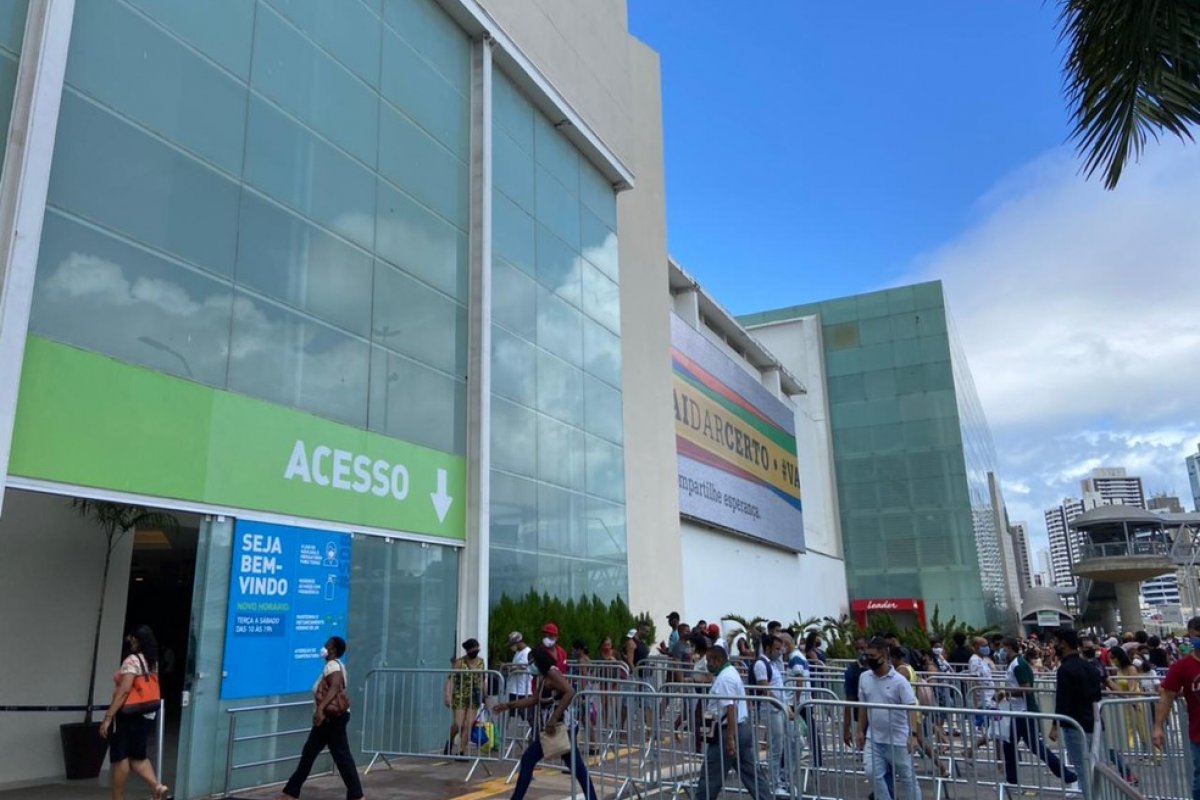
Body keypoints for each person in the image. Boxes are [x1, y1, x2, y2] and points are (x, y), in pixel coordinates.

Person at [494, 647, 600, 800]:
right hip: (558, 728)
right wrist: (509, 705)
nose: (530, 666)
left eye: (532, 662)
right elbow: (534, 699)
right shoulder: (543, 677)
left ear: (540, 661)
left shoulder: (552, 673)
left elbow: (570, 691)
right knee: (577, 768)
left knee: (529, 759)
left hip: (561, 727)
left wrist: (554, 718)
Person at [277, 636, 364, 800]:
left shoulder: (332, 666)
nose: (324, 647)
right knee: (311, 753)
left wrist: (320, 709)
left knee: (339, 755)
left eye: (327, 645)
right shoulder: (337, 665)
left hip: (330, 719)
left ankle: (356, 795)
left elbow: (335, 687)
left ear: (333, 650)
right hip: (331, 719)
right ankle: (290, 792)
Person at [691, 640, 773, 800]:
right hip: (739, 730)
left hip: (727, 732)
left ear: (718, 660)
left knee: (710, 777)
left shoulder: (725, 679)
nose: (707, 665)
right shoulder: (729, 673)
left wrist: (729, 739)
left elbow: (731, 708)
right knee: (752, 776)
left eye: (709, 661)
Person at [99, 625, 169, 800]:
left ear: (137, 640)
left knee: (121, 756)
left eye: (131, 637)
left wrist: (108, 717)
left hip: (126, 713)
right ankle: (157, 786)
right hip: (144, 713)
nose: (129, 640)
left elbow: (124, 690)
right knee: (138, 756)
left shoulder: (132, 660)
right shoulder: (152, 661)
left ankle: (118, 797)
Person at [1000, 638, 1076, 790]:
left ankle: (1065, 774)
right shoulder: (1016, 664)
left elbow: (1026, 688)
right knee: (1019, 746)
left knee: (1025, 746)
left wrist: (1006, 693)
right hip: (1020, 711)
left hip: (1023, 712)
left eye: (1003, 648)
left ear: (1009, 647)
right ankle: (1065, 775)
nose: (1001, 652)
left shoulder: (1018, 665)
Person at [855, 638, 923, 800]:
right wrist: (860, 730)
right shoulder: (864, 677)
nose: (868, 659)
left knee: (907, 778)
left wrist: (913, 735)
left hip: (898, 739)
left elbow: (911, 707)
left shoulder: (899, 681)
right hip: (874, 738)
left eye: (872, 656)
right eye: (866, 655)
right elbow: (863, 706)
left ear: (884, 657)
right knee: (872, 772)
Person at [1050, 628, 1101, 800]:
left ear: (1063, 643)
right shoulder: (1090, 667)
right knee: (1096, 767)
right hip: (1094, 722)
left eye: (1056, 642)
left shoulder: (1065, 670)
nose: (1055, 646)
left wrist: (1055, 726)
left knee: (1083, 769)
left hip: (1074, 724)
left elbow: (1062, 700)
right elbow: (1097, 696)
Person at [1154, 616, 1200, 800]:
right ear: (1190, 636)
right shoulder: (1181, 667)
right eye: (1197, 635)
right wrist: (1158, 726)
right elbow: (1167, 696)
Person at [752, 634, 790, 796]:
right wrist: (781, 705)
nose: (780, 651)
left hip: (780, 709)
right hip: (771, 710)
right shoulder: (761, 664)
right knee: (776, 748)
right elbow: (765, 689)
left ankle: (783, 778)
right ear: (768, 648)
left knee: (793, 743)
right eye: (776, 648)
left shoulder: (773, 664)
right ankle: (774, 783)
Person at [444, 639, 485, 756]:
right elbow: (451, 679)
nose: (475, 651)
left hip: (474, 695)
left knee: (468, 724)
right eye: (472, 649)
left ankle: (461, 750)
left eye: (476, 648)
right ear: (467, 650)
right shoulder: (460, 662)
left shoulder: (481, 662)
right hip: (460, 694)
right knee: (459, 724)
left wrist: (485, 694)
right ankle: (450, 740)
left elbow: (482, 679)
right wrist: (448, 694)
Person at [1111, 645, 1151, 751]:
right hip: (1125, 701)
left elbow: (1132, 687)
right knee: (1129, 727)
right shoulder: (1118, 670)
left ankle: (1149, 751)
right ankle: (1131, 750)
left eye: (1113, 657)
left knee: (1142, 727)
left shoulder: (1131, 668)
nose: (1112, 660)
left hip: (1136, 700)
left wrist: (1132, 701)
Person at [506, 632, 534, 723]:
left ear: (518, 642)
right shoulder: (518, 652)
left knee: (528, 715)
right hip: (515, 688)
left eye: (512, 644)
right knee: (512, 713)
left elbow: (522, 667)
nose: (511, 647)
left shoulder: (527, 652)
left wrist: (509, 667)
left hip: (523, 690)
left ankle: (535, 730)